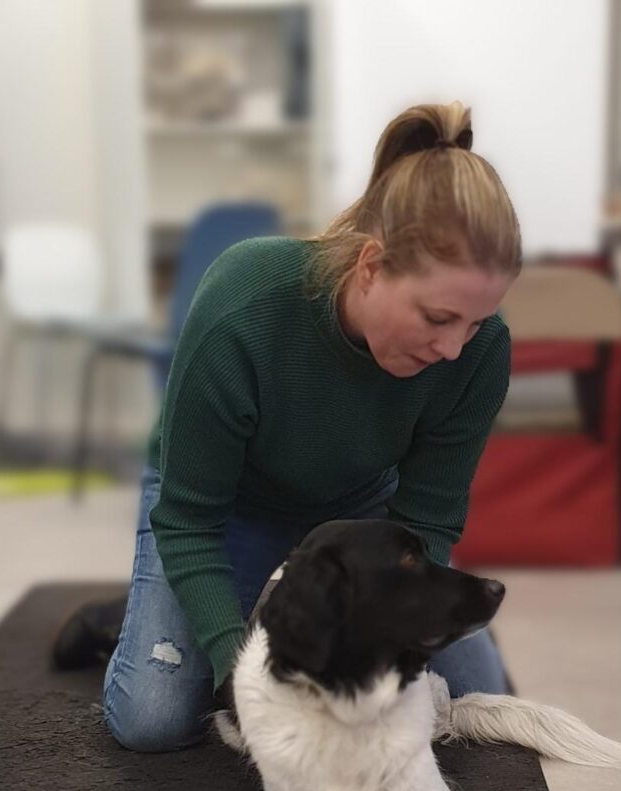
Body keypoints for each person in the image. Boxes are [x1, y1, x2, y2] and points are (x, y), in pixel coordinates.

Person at [53, 100, 522, 753]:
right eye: (436, 318)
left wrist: (394, 642)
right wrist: (234, 670)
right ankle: (125, 619)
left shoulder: (478, 354)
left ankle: (207, 608)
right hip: (224, 508)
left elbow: (429, 522)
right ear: (370, 266)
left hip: (360, 513)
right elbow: (190, 518)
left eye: (473, 323)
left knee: (475, 702)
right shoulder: (246, 303)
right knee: (155, 721)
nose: (452, 347)